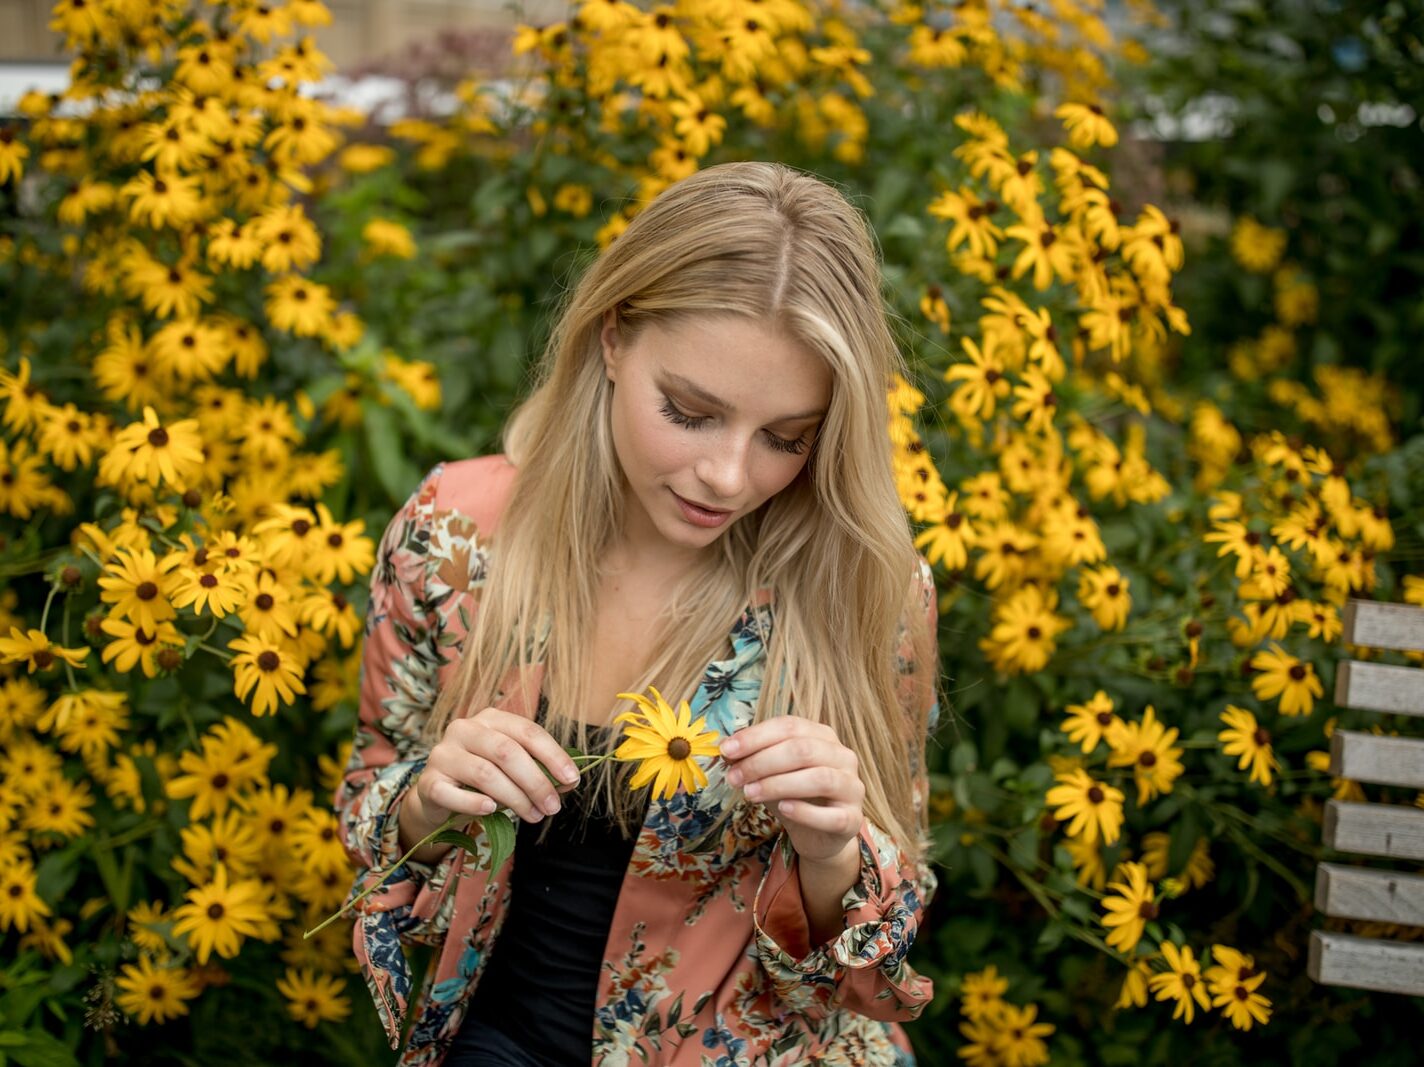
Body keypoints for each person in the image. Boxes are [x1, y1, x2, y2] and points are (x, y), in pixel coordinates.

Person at [335, 160, 942, 1067]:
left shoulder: (866, 586)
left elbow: (872, 968)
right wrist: (428, 800)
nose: (730, 477)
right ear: (613, 339)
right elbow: (366, 816)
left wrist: (831, 855)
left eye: (787, 437)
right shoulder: (454, 539)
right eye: (690, 412)